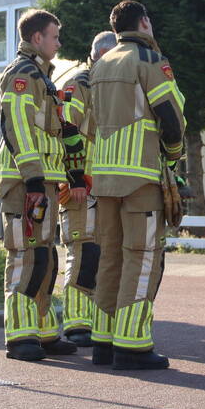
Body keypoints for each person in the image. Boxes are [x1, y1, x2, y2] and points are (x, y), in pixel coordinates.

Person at [87, 0, 186, 370]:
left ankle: (103, 341)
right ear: (144, 22)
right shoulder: (148, 60)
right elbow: (170, 117)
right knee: (142, 257)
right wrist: (174, 156)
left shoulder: (100, 64)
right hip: (141, 177)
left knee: (109, 257)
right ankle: (132, 345)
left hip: (105, 178)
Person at [0, 9, 83, 362]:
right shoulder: (22, 75)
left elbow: (52, 131)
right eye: (54, 36)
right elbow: (17, 127)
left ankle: (44, 333)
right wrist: (33, 179)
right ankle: (20, 337)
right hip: (24, 182)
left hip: (42, 182)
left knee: (45, 257)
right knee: (26, 257)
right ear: (36, 39)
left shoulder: (41, 77)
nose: (58, 43)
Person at [55, 30, 118, 347]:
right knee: (84, 253)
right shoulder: (80, 84)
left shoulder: (113, 86)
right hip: (83, 185)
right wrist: (75, 178)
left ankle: (94, 320)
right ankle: (77, 323)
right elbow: (65, 129)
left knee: (103, 255)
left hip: (107, 186)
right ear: (97, 56)